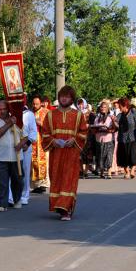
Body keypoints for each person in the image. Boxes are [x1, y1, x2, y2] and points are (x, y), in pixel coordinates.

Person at [39, 85, 89, 220]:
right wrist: (52, 141)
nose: (64, 99)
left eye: (67, 96)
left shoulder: (78, 115)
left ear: (71, 98)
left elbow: (83, 132)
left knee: (69, 179)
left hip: (71, 153)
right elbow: (44, 132)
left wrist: (75, 139)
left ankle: (66, 208)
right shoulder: (50, 114)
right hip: (56, 153)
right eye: (62, 96)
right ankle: (59, 206)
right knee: (56, 178)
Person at [0, 100, 26, 212]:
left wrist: (21, 144)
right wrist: (9, 123)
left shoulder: (18, 121)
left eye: (4, 109)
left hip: (16, 156)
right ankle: (2, 203)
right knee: (2, 182)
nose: (1, 111)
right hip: (1, 156)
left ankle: (17, 200)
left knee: (18, 180)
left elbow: (25, 137)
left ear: (8, 109)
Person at [9, 101, 38, 205]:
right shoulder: (10, 113)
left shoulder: (29, 114)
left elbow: (33, 131)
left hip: (25, 146)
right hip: (12, 146)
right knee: (11, 171)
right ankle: (11, 195)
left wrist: (28, 143)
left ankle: (25, 195)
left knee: (24, 171)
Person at [115, 97, 136, 179]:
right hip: (122, 138)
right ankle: (127, 172)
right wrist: (113, 121)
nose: (119, 108)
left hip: (133, 137)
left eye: (120, 106)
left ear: (124, 105)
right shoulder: (119, 115)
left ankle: (132, 170)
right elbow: (117, 126)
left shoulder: (133, 113)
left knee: (134, 155)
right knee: (124, 156)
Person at [91, 100, 117, 179]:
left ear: (108, 109)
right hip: (99, 139)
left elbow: (115, 127)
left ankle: (109, 173)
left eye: (105, 107)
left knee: (109, 156)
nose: (103, 108)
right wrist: (94, 128)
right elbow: (94, 128)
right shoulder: (97, 117)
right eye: (102, 107)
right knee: (100, 156)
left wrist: (112, 122)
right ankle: (102, 172)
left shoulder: (111, 117)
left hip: (108, 138)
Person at [30, 95, 49, 193]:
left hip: (42, 140)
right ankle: (35, 185)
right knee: (33, 162)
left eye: (37, 104)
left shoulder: (46, 112)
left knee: (43, 162)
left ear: (41, 103)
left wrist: (40, 123)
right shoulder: (30, 113)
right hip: (33, 141)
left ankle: (43, 184)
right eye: (33, 103)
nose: (35, 105)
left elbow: (50, 127)